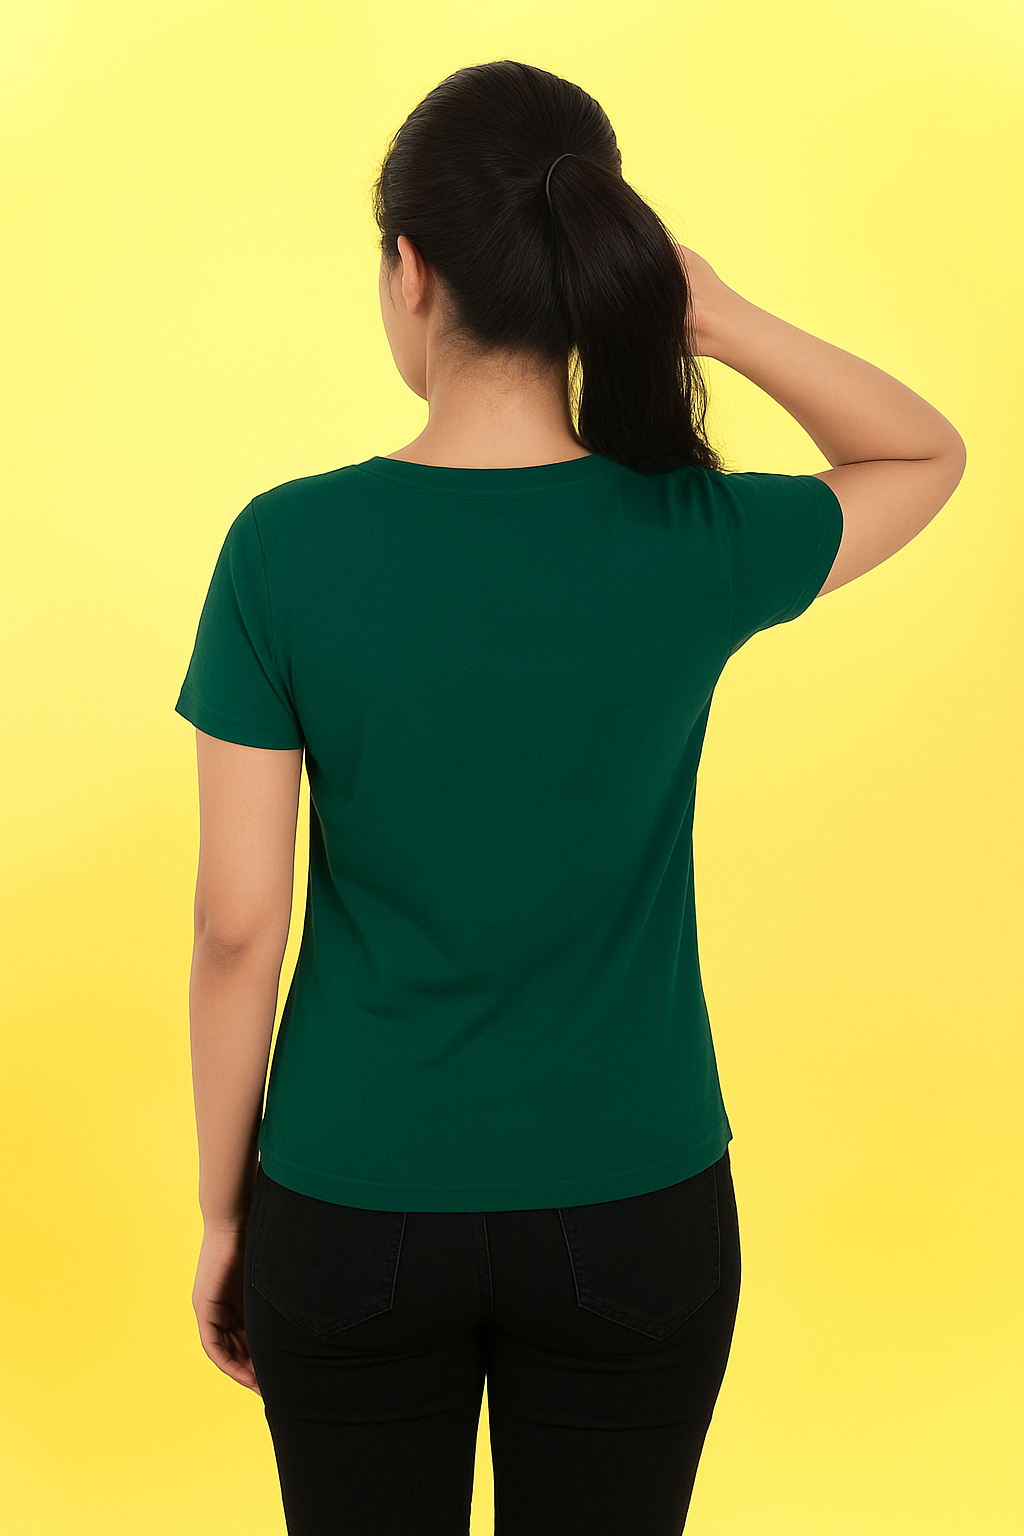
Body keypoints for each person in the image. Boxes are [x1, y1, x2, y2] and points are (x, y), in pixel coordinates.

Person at [175, 59, 966, 1536]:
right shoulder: (689, 532)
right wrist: (718, 317)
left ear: (410, 268)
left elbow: (237, 927)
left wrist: (228, 1212)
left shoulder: (283, 549)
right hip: (635, 1206)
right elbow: (924, 453)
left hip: (354, 1201)